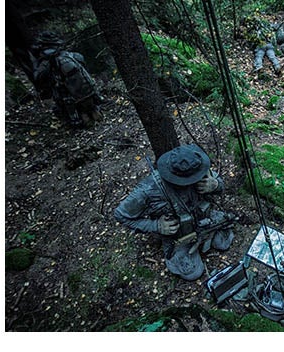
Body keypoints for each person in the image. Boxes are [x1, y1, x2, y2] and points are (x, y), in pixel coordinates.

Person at [114, 144, 235, 281]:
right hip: (179, 235)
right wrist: (157, 226)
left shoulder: (196, 165)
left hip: (205, 219)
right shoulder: (148, 189)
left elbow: (220, 184)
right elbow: (120, 215)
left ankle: (206, 239)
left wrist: (215, 185)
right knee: (194, 272)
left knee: (224, 243)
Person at [31, 31, 103, 128]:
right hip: (86, 92)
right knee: (90, 109)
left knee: (74, 111)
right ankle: (92, 114)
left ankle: (83, 119)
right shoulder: (71, 56)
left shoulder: (46, 63)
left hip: (68, 96)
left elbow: (39, 78)